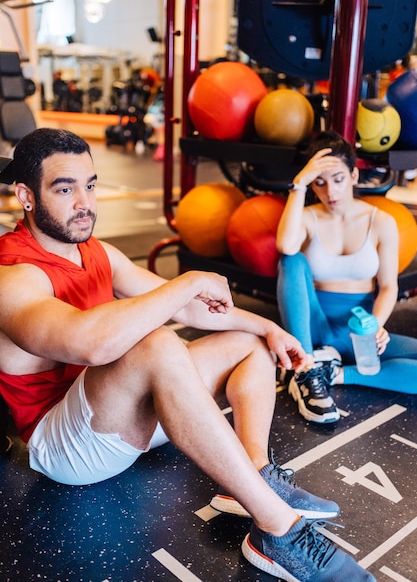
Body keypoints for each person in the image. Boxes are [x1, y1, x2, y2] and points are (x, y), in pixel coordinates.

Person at [0, 128, 374, 581]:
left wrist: (268, 327)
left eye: (91, 184)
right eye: (65, 188)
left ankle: (254, 478)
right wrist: (188, 281)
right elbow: (92, 343)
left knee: (247, 345)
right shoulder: (13, 275)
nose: (85, 202)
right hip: (64, 448)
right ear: (25, 195)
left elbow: (193, 307)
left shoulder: (96, 252)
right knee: (156, 343)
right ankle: (277, 530)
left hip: (116, 418)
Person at [276, 130, 417, 425]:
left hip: (358, 330)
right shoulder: (308, 217)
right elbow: (286, 246)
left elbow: (389, 286)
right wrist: (298, 185)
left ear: (353, 176)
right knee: (292, 260)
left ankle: (336, 373)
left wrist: (376, 325)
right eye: (320, 182)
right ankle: (306, 368)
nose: (331, 192)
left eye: (338, 179)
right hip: (311, 326)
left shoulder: (382, 222)